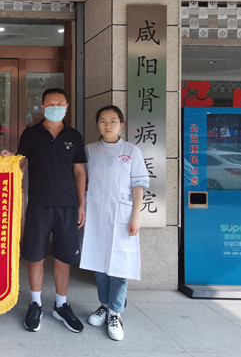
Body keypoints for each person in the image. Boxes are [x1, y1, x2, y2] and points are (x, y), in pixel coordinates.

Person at [11, 88, 87, 333]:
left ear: (67, 107)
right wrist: (7, 163)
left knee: (64, 258)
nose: (56, 107)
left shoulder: (74, 136)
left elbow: (79, 171)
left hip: (68, 207)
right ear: (42, 107)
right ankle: (35, 303)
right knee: (35, 256)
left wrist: (81, 204)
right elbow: (19, 165)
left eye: (60, 104)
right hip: (38, 206)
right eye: (51, 104)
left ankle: (61, 305)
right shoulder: (30, 134)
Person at [81, 105, 149, 341]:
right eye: (102, 121)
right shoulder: (90, 150)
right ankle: (104, 304)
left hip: (122, 215)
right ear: (97, 124)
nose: (107, 125)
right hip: (96, 213)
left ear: (121, 124)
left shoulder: (131, 151)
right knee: (99, 263)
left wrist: (136, 215)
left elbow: (138, 185)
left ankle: (115, 312)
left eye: (112, 121)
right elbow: (83, 180)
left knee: (120, 264)